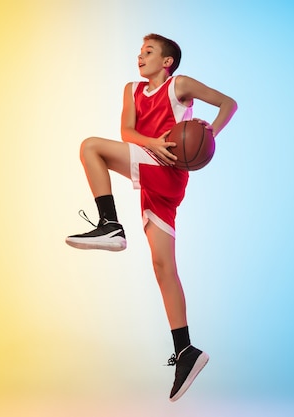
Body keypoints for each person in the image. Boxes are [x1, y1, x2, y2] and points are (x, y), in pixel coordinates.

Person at [65, 33, 237, 402]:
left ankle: (109, 224)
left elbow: (228, 103)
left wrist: (210, 134)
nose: (140, 56)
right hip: (150, 168)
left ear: (167, 62)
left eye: (148, 52)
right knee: (163, 267)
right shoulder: (131, 90)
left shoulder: (181, 85)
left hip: (170, 168)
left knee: (90, 147)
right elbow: (126, 132)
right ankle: (187, 350)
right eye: (139, 51)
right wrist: (151, 142)